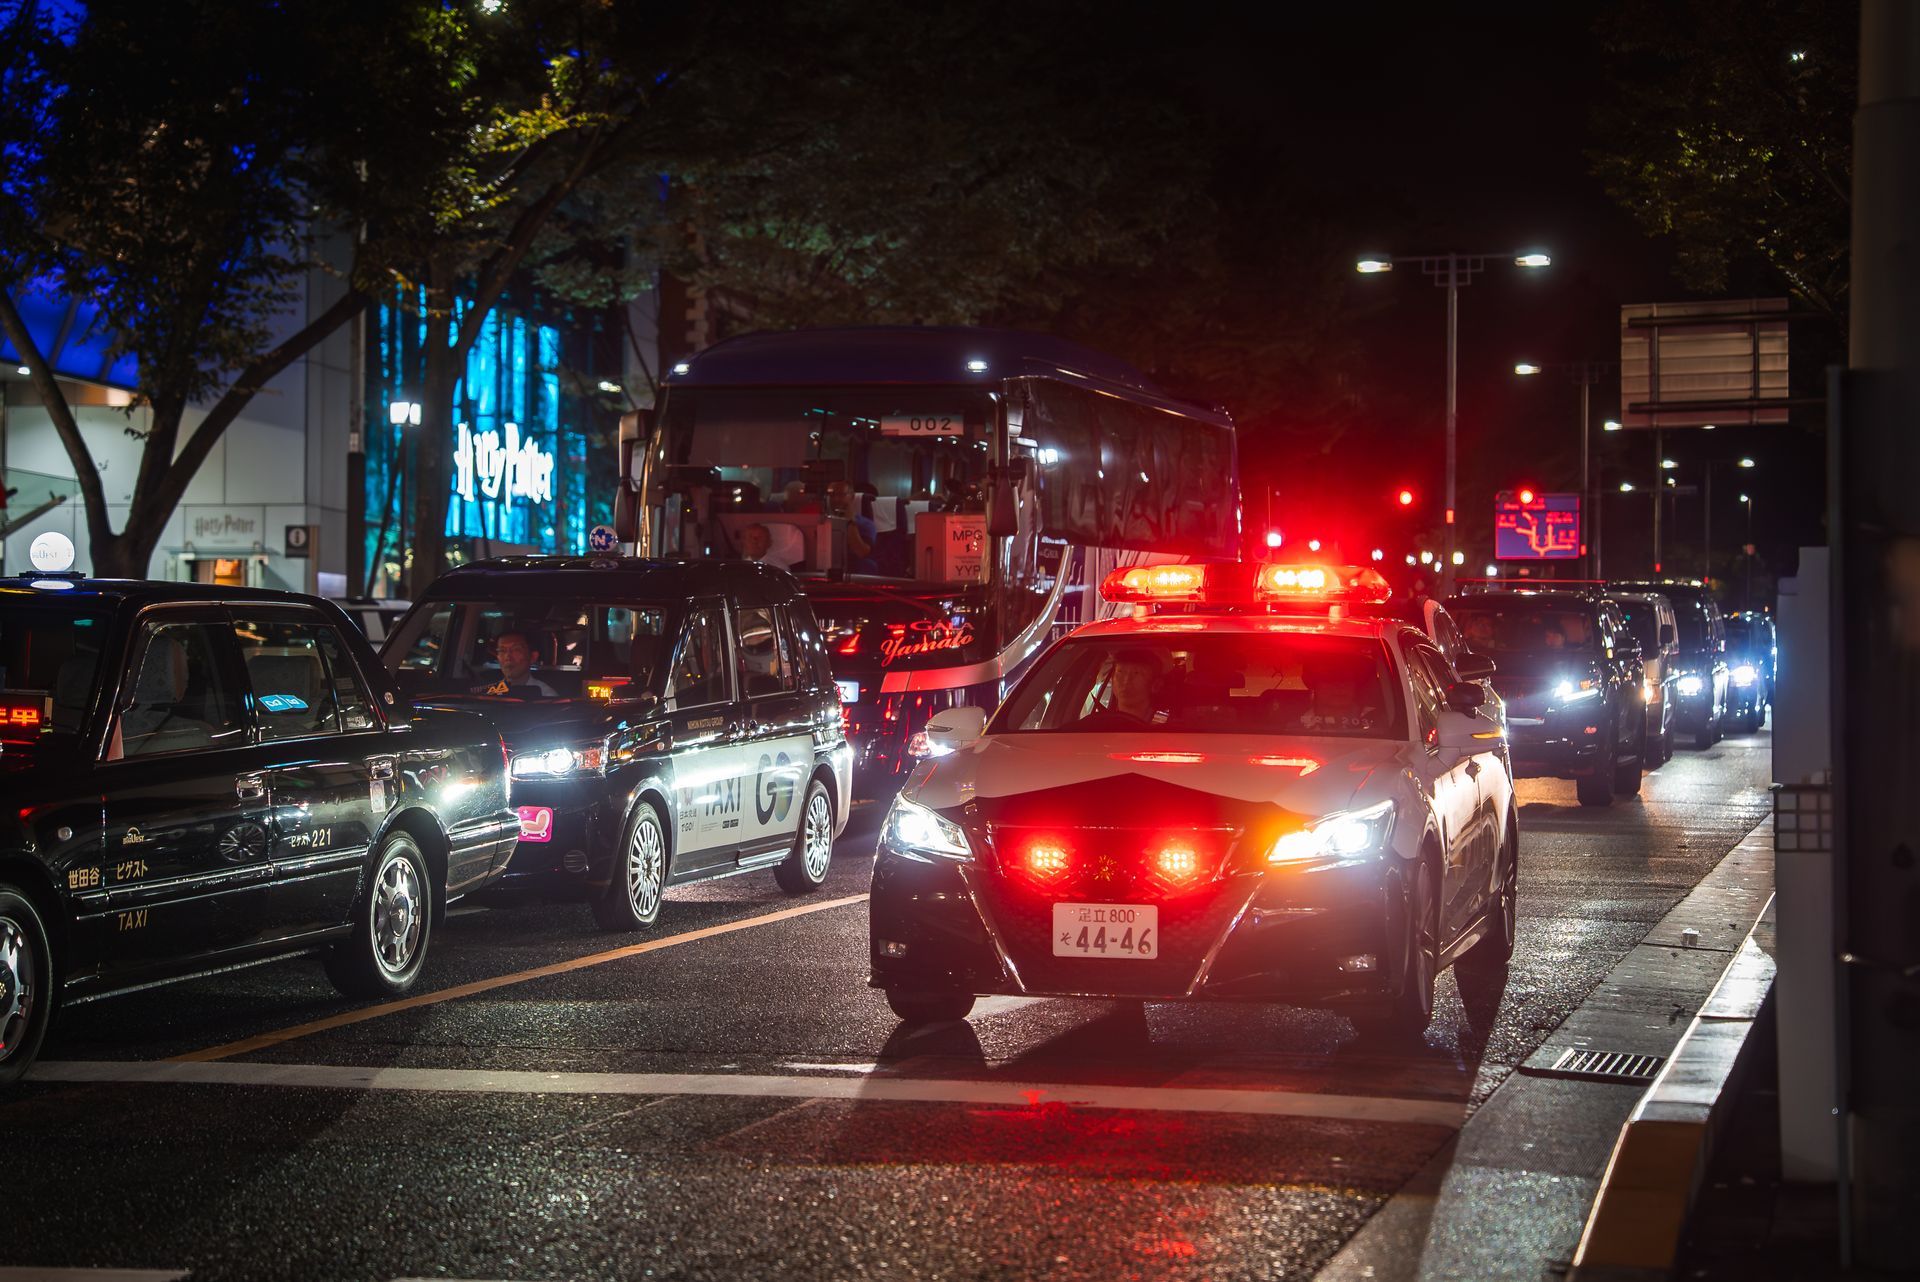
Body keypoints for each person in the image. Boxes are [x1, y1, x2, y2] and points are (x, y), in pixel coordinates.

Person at [1079, 648, 1165, 728]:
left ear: (1156, 685)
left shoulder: (1165, 730)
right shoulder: (1094, 727)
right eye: (1120, 672)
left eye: (1136, 673)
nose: (1126, 680)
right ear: (1112, 679)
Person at [472, 629, 558, 697]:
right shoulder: (487, 693)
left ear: (533, 657)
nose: (507, 657)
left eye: (516, 650)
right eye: (502, 651)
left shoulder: (545, 695)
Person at [826, 480, 878, 573]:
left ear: (852, 497)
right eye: (832, 495)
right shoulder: (822, 520)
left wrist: (849, 521)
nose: (836, 499)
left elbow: (861, 552)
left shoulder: (865, 524)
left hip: (852, 569)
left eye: (841, 495)